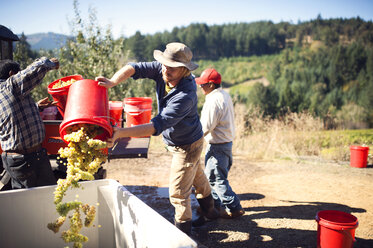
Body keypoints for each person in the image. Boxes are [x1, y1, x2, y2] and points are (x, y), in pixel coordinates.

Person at [96, 42, 218, 235]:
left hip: (188, 146)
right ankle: (210, 211)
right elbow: (133, 67)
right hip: (182, 141)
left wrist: (120, 133)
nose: (165, 69)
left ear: (184, 70)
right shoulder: (163, 69)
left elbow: (156, 125)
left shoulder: (185, 96)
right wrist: (112, 82)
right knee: (196, 175)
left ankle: (183, 234)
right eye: (164, 64)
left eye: (172, 67)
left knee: (178, 193)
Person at [0, 57, 59, 189]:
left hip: (32, 156)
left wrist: (37, 107)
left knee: (41, 196)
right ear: (11, 74)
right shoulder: (10, 86)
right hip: (23, 160)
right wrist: (49, 62)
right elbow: (35, 69)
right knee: (37, 199)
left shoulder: (7, 93)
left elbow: (9, 115)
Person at [195, 68, 245, 218]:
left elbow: (205, 127)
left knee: (217, 180)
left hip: (218, 146)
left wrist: (191, 138)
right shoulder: (224, 95)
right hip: (225, 143)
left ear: (210, 84)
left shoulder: (213, 101)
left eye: (202, 84)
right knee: (214, 177)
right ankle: (214, 207)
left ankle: (235, 207)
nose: (200, 87)